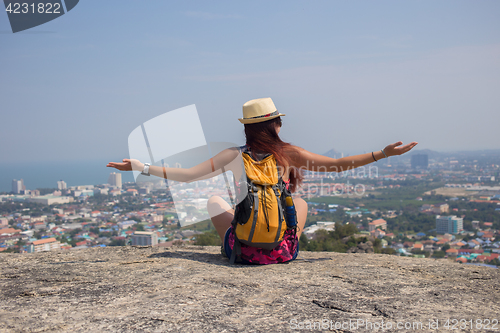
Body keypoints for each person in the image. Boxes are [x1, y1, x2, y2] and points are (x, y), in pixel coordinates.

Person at [107, 97, 417, 264]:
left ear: (248, 129)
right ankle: (281, 245)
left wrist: (141, 166)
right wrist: (383, 153)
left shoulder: (232, 155)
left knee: (215, 201)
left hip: (243, 253)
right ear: (275, 125)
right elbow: (337, 165)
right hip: (282, 254)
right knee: (299, 201)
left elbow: (187, 176)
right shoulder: (288, 154)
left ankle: (237, 247)